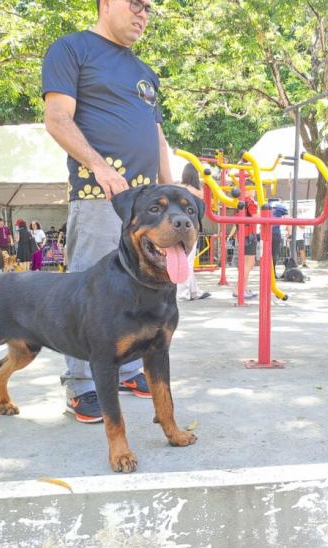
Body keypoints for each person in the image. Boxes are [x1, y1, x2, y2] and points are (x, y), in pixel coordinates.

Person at [43, 0, 172, 422]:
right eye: (135, 4)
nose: (143, 14)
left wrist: (171, 190)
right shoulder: (72, 48)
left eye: (148, 8)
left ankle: (129, 369)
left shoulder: (145, 71)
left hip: (147, 209)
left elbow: (157, 136)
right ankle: (82, 385)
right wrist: (99, 166)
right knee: (91, 294)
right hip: (98, 195)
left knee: (144, 287)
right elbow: (57, 118)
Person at [176, 163, 210, 301]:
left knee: (184, 259)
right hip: (191, 227)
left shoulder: (178, 188)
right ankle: (183, 292)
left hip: (177, 227)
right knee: (187, 260)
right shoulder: (198, 191)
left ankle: (194, 291)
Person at [232, 194, 258, 300]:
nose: (254, 191)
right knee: (248, 264)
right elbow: (257, 217)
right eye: (252, 188)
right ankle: (239, 289)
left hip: (243, 235)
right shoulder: (249, 202)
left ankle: (242, 288)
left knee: (248, 264)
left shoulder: (238, 201)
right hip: (249, 236)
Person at [271, 204, 288, 278]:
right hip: (275, 233)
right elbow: (287, 219)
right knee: (274, 254)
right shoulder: (281, 207)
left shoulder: (265, 206)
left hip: (265, 233)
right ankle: (273, 273)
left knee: (266, 255)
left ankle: (268, 273)